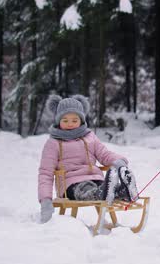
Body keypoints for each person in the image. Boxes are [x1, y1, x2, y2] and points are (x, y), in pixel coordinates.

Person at [38, 94, 138, 224]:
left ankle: (121, 190)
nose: (70, 124)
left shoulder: (89, 137)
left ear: (81, 120)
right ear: (58, 121)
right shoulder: (54, 143)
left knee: (102, 186)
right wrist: (46, 200)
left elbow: (104, 154)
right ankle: (104, 192)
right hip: (70, 184)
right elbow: (45, 172)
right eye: (65, 120)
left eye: (74, 120)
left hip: (95, 178)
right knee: (85, 189)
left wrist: (118, 161)